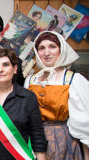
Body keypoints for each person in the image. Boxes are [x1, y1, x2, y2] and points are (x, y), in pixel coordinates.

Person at [24, 31, 89, 160]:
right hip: (34, 140)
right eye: (41, 48)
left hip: (64, 142)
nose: (47, 53)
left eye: (52, 46)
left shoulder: (74, 80)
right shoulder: (31, 80)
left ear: (61, 49)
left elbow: (85, 125)